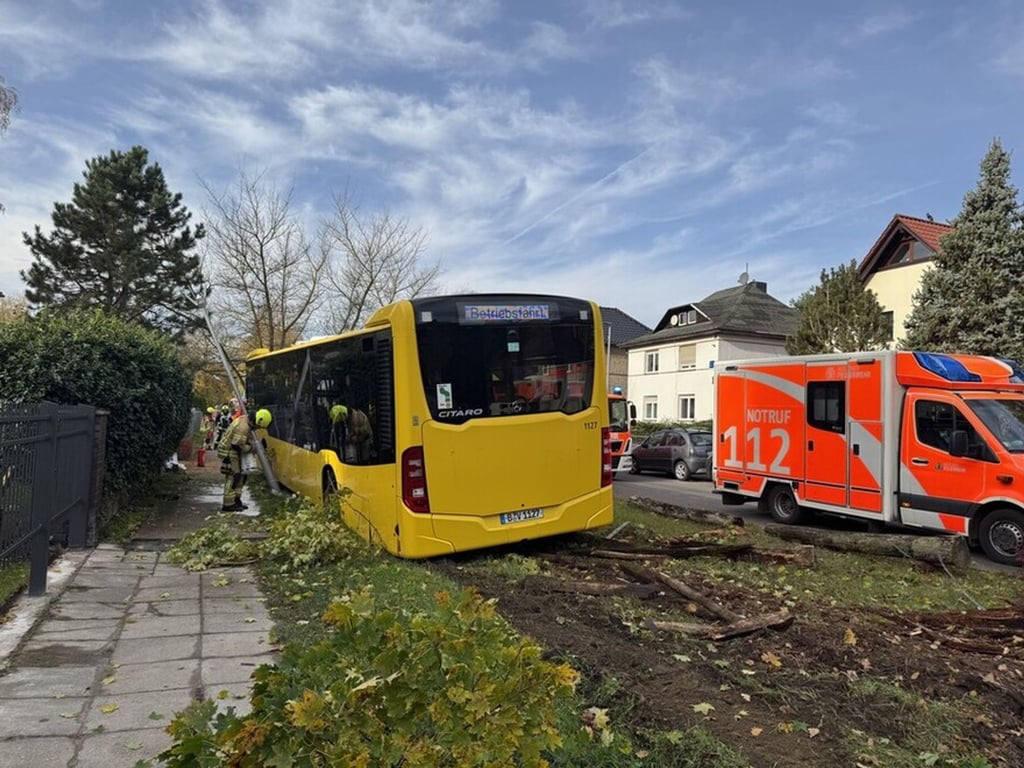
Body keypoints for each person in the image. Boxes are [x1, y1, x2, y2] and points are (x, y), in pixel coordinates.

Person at [217, 408, 272, 512]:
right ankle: (228, 504)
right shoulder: (243, 427)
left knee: (243, 475)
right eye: (258, 427)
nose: (257, 429)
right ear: (256, 422)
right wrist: (251, 448)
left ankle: (236, 500)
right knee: (234, 476)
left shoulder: (247, 421)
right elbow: (237, 445)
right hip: (229, 451)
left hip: (235, 450)